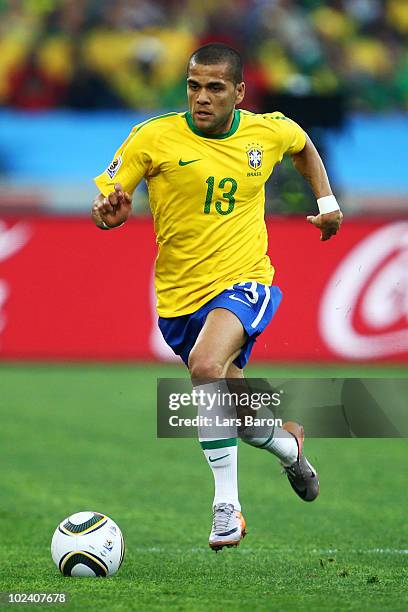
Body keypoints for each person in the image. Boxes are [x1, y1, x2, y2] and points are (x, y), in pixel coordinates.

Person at [91, 43, 343, 552]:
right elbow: (107, 201)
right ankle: (288, 446)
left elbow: (303, 147)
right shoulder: (153, 136)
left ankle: (225, 506)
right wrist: (108, 213)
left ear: (239, 93)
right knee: (240, 414)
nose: (201, 97)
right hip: (180, 298)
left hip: (246, 278)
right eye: (193, 85)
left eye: (214, 88)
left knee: (205, 368)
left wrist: (327, 203)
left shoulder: (265, 130)